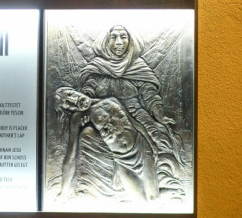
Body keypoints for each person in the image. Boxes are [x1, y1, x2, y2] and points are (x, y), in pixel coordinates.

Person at [55, 25, 184, 202]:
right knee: (89, 134)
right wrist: (84, 107)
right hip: (108, 121)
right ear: (105, 42)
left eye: (123, 37)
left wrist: (160, 115)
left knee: (159, 135)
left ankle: (165, 183)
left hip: (136, 114)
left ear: (130, 41)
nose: (118, 42)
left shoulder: (138, 67)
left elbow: (150, 95)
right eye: (113, 37)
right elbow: (87, 92)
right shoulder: (97, 67)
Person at [54, 87, 159, 202]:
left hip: (142, 149)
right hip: (122, 161)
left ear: (74, 90)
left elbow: (134, 123)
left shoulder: (112, 100)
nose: (74, 100)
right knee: (140, 202)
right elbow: (70, 157)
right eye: (68, 104)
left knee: (153, 198)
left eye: (70, 94)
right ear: (69, 110)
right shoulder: (78, 118)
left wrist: (151, 143)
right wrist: (63, 192)